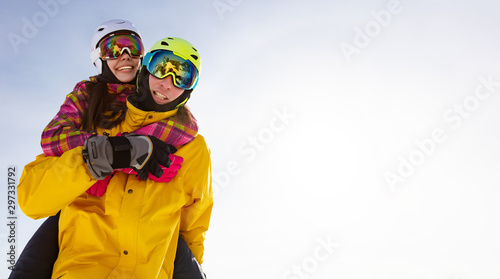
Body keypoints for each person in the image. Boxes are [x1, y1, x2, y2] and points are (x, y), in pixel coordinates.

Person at [12, 20, 211, 279]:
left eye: (182, 77)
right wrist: (104, 155)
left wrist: (192, 268)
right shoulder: (98, 122)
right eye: (162, 68)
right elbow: (32, 198)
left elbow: (194, 224)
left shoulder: (192, 148)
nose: (168, 82)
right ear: (147, 69)